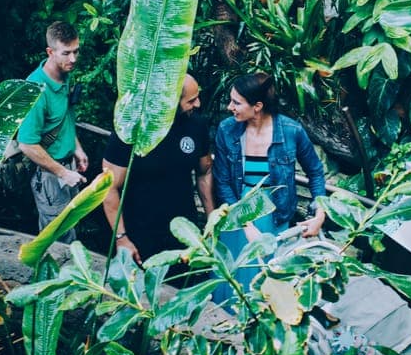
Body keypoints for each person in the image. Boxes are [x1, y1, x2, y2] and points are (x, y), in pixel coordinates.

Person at [213, 72, 327, 299]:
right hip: (237, 210)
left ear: (257, 106)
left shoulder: (291, 131)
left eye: (236, 102)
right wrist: (245, 224)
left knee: (270, 279)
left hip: (274, 212)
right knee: (234, 277)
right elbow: (223, 181)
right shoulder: (227, 130)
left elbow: (315, 172)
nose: (229, 107)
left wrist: (320, 213)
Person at [102, 74, 214, 265]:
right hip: (140, 232)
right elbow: (107, 187)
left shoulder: (197, 125)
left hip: (183, 230)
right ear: (171, 101)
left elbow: (204, 173)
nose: (198, 104)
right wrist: (121, 238)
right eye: (191, 100)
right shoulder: (131, 128)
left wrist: (212, 220)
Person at [17, 21, 88, 243]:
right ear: (50, 52)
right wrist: (63, 173)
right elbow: (27, 144)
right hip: (50, 175)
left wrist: (77, 147)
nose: (73, 59)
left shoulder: (65, 75)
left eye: (76, 51)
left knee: (72, 228)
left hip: (68, 167)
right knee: (58, 240)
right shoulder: (36, 90)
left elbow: (63, 117)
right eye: (66, 53)